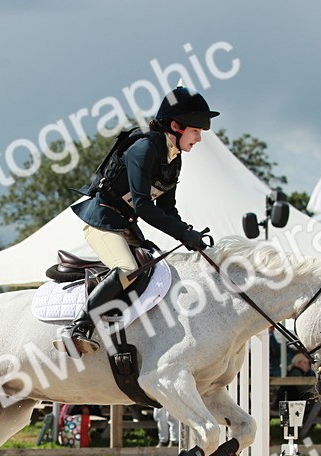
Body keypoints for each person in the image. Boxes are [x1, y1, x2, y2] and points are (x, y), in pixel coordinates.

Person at [57, 86, 219, 355]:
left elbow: (168, 208)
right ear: (176, 126)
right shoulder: (143, 149)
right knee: (126, 268)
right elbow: (143, 205)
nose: (199, 139)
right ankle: (78, 327)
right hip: (102, 221)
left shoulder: (173, 158)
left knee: (155, 267)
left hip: (125, 226)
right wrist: (182, 233)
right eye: (196, 131)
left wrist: (190, 235)